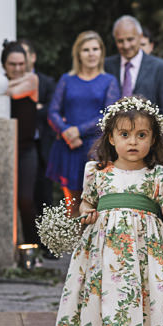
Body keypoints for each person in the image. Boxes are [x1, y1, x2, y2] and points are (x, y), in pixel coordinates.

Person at [51, 97, 163, 326]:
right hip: (105, 252)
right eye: (125, 135)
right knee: (107, 300)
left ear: (153, 140)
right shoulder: (97, 171)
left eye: (142, 135)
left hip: (144, 252)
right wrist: (86, 213)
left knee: (141, 301)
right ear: (111, 138)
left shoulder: (158, 174)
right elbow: (87, 201)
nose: (133, 142)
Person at [46, 31, 119, 209]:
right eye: (86, 50)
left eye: (95, 49)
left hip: (95, 148)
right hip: (69, 146)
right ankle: (74, 238)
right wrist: (66, 131)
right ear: (78, 53)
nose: (91, 53)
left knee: (94, 205)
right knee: (72, 205)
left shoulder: (109, 81)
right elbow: (53, 111)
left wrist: (78, 131)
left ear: (101, 52)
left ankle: (93, 238)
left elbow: (109, 115)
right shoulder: (67, 80)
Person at [3, 40, 40, 246]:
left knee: (26, 199)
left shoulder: (32, 79)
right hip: (4, 149)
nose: (17, 69)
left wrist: (1, 86)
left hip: (26, 149)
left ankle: (32, 247)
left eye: (21, 64)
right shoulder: (2, 81)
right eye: (12, 65)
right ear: (4, 65)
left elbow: (14, 93)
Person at [105, 16, 163, 122]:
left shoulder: (160, 67)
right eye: (120, 41)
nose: (126, 45)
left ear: (140, 36)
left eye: (130, 39)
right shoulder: (106, 65)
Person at [20, 38, 56, 232]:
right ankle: (29, 243)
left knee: (45, 196)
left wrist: (33, 109)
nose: (21, 61)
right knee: (25, 197)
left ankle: (48, 245)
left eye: (25, 54)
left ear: (33, 57)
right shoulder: (6, 82)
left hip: (42, 145)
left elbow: (52, 109)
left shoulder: (47, 82)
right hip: (19, 145)